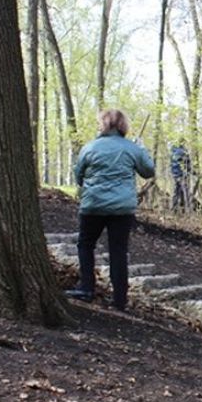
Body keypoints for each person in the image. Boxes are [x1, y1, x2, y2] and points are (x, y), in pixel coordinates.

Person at [65, 109, 155, 309]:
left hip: (93, 205)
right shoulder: (132, 149)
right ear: (123, 126)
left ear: (103, 125)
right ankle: (120, 300)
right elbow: (148, 171)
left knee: (86, 245)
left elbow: (78, 176)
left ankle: (86, 288)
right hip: (122, 208)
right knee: (118, 251)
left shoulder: (90, 148)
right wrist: (142, 149)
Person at [169, 144, 192, 211]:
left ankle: (174, 208)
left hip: (175, 175)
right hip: (181, 174)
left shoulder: (173, 151)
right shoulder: (182, 151)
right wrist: (190, 171)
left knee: (176, 191)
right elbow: (187, 163)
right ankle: (187, 209)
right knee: (185, 191)